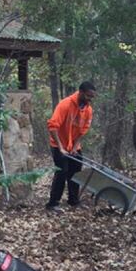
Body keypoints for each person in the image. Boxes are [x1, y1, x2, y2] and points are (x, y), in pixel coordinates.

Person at [46, 81, 96, 212]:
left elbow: (82, 130)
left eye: (92, 97)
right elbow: (52, 126)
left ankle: (73, 201)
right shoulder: (65, 104)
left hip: (73, 145)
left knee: (76, 171)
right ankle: (52, 203)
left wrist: (75, 147)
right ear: (80, 92)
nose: (89, 100)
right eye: (88, 96)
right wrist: (61, 147)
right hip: (58, 144)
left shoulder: (88, 110)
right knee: (62, 171)